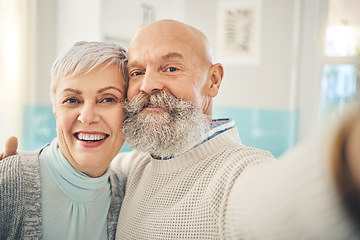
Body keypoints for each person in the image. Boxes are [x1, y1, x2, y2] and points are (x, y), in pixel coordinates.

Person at [2, 19, 360, 239]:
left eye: (171, 69)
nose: (147, 86)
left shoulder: (238, 175)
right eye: (138, 72)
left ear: (214, 80)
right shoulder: (133, 168)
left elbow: (277, 202)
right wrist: (13, 171)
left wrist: (345, 156)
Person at [0, 41, 127, 240]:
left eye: (108, 99)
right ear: (55, 108)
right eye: (72, 100)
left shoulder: (129, 194)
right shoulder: (8, 182)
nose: (87, 117)